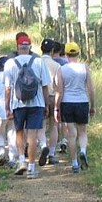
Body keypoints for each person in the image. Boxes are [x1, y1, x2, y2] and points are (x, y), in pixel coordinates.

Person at [4, 34, 52, 179]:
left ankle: (21, 161)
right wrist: (46, 104)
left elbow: (8, 88)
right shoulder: (38, 62)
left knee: (19, 132)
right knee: (32, 136)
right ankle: (32, 168)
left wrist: (7, 107)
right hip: (36, 103)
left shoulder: (10, 63)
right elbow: (45, 86)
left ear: (17, 47)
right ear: (30, 47)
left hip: (18, 103)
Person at [60, 41, 96, 173]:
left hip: (67, 102)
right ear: (78, 54)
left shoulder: (62, 69)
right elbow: (91, 89)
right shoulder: (84, 68)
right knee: (83, 132)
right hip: (82, 102)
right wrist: (93, 105)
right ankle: (83, 151)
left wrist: (57, 107)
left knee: (71, 134)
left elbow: (59, 90)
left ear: (66, 54)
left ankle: (74, 163)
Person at [41, 38, 64, 166]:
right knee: (54, 125)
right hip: (52, 96)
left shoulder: (37, 62)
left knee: (42, 126)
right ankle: (52, 153)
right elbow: (58, 86)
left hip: (40, 97)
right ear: (53, 50)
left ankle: (43, 145)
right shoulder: (56, 66)